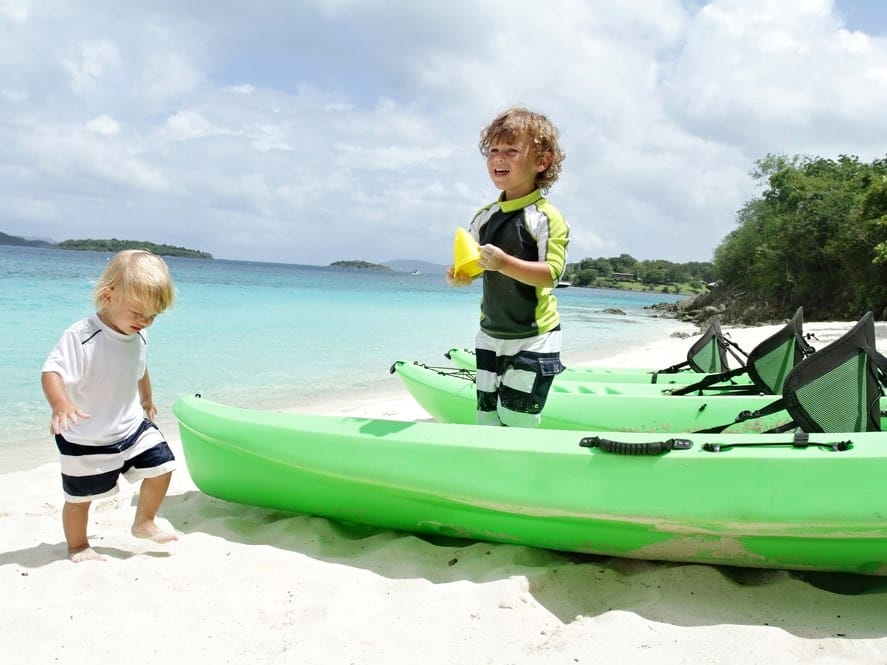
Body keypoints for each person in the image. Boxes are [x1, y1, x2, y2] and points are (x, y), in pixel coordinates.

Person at [41, 249, 179, 562]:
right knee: (80, 498)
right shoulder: (83, 335)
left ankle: (144, 521)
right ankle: (77, 546)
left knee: (164, 466)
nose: (144, 322)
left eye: (153, 316)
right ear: (108, 296)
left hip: (130, 425)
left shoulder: (138, 335)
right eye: (138, 313)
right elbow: (52, 371)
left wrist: (146, 398)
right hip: (86, 436)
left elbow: (139, 367)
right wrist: (60, 404)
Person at [447, 107, 569, 427]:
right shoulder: (484, 217)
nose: (499, 158)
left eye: (512, 151)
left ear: (541, 162)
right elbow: (473, 265)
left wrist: (502, 263)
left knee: (517, 417)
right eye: (494, 150)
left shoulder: (545, 217)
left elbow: (551, 274)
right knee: (486, 417)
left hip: (535, 336)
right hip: (490, 334)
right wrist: (462, 274)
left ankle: (527, 469)